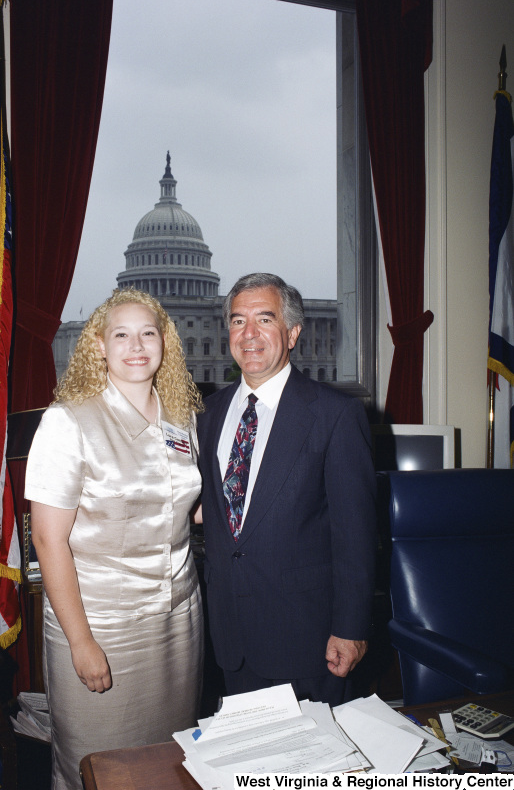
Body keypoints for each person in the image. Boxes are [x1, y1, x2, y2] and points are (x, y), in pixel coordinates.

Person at [25, 288, 204, 790]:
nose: (136, 345)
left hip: (179, 620)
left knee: (171, 761)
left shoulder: (181, 418)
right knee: (98, 766)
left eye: (148, 332)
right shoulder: (68, 422)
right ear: (99, 346)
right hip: (102, 623)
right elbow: (47, 540)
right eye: (120, 334)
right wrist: (82, 643)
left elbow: (183, 504)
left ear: (164, 343)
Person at [196, 272, 377, 706]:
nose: (250, 334)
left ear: (293, 332)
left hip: (307, 640)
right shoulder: (209, 414)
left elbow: (356, 535)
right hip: (228, 638)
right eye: (238, 321)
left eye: (265, 319)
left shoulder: (335, 415)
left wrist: (351, 629)